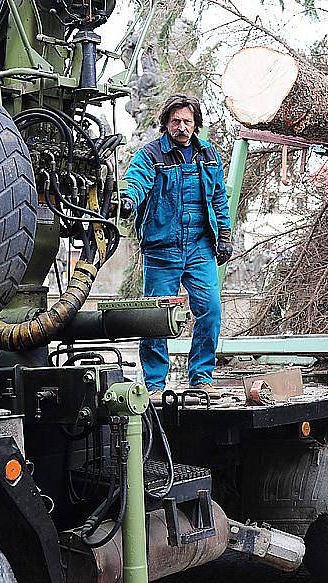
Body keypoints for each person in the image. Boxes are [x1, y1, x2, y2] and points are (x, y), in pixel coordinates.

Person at [122, 94, 233, 402]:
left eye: (187, 121)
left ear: (195, 124)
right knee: (156, 317)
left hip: (200, 248)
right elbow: (136, 181)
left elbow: (219, 199)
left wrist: (224, 233)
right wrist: (128, 199)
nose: (182, 127)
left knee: (210, 311)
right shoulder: (151, 155)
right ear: (166, 123)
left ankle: (201, 379)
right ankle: (155, 384)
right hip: (163, 249)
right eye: (176, 121)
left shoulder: (208, 155)